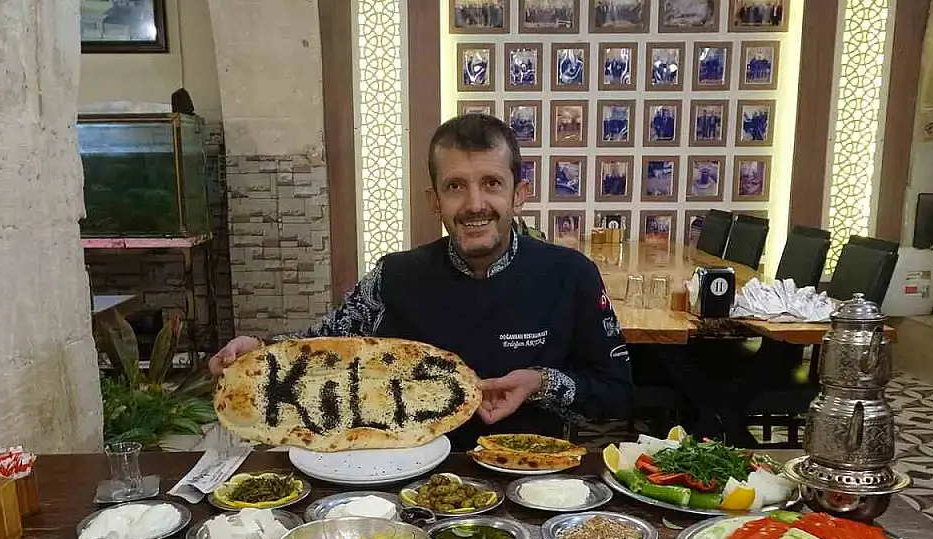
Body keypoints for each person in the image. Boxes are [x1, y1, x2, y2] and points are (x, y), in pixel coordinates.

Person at [210, 113, 632, 450]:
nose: (474, 204)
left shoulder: (570, 275)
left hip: (531, 478)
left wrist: (542, 383)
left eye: (491, 184)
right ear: (434, 200)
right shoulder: (394, 277)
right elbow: (318, 348)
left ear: (518, 194)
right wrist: (259, 350)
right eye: (455, 186)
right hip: (407, 479)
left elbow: (617, 394)